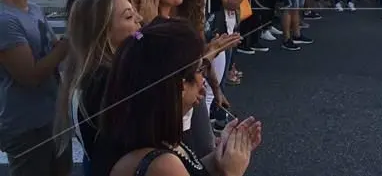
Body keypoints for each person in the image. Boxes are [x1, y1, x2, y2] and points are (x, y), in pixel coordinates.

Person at [91, 19, 261, 176]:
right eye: (198, 70)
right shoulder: (162, 165)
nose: (203, 81)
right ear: (176, 85)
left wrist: (218, 158)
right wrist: (232, 171)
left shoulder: (154, 137)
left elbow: (191, 169)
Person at [0, 0, 71, 176]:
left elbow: (55, 52)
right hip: (27, 128)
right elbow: (29, 76)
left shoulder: (34, 10)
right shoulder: (4, 20)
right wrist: (68, 44)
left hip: (54, 119)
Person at [54, 0, 142, 173]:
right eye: (128, 17)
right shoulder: (103, 80)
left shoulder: (105, 73)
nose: (139, 19)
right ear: (103, 30)